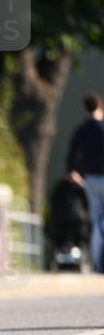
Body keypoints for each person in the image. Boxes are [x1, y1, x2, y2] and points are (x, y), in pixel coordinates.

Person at [67, 92, 104, 273]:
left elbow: (72, 160)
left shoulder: (81, 131)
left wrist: (76, 175)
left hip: (90, 180)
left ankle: (97, 263)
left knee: (95, 223)